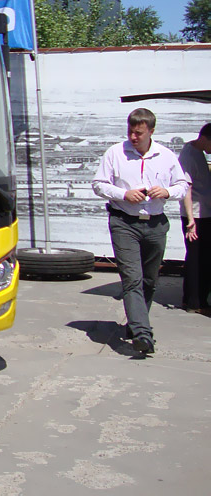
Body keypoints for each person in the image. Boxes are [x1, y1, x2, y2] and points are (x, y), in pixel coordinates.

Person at [92, 108, 190, 355]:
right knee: (132, 278)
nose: (133, 137)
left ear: (151, 132)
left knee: (149, 279)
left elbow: (182, 185)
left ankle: (136, 324)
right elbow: (99, 184)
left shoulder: (166, 156)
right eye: (130, 132)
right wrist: (123, 194)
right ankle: (143, 334)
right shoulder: (115, 153)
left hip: (156, 224)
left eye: (139, 133)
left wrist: (167, 192)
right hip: (125, 222)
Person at [177, 123, 211, 313]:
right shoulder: (190, 155)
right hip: (196, 215)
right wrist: (191, 221)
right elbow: (186, 189)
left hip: (204, 212)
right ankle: (194, 301)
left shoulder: (198, 152)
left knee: (204, 257)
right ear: (204, 138)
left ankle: (198, 298)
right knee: (197, 258)